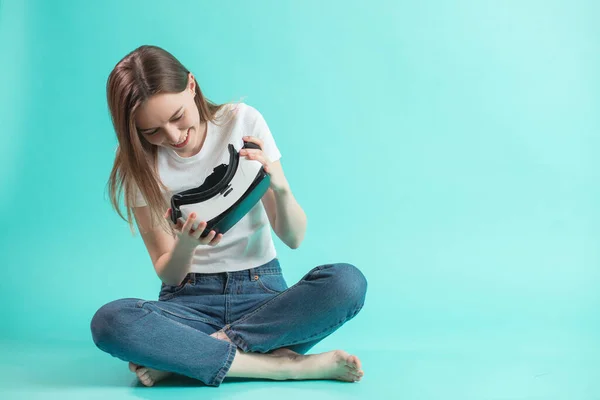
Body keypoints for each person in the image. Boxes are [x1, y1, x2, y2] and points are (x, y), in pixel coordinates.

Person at [90, 45, 368, 388]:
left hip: (263, 297)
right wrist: (186, 245)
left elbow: (294, 238)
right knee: (110, 321)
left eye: (177, 117)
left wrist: (279, 187)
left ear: (191, 85)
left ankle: (190, 357)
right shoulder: (135, 160)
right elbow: (169, 270)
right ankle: (284, 367)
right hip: (188, 302)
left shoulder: (242, 121)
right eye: (152, 131)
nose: (173, 137)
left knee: (346, 282)